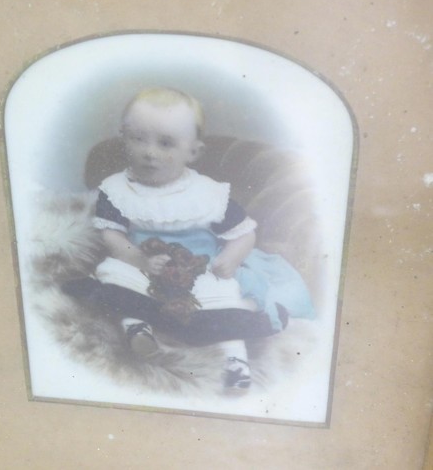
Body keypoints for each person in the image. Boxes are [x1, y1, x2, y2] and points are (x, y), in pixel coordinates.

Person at [74, 87, 315, 391]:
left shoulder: (209, 194)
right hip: (144, 262)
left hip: (201, 265)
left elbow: (244, 234)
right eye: (138, 139)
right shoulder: (117, 189)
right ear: (124, 138)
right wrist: (138, 259)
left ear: (193, 152)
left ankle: (235, 360)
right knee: (114, 273)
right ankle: (137, 328)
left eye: (166, 143)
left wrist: (231, 258)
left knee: (229, 294)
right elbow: (112, 233)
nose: (150, 152)